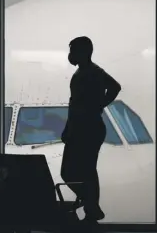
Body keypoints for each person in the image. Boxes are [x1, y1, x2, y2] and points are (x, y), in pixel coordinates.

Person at [60, 36, 121, 222]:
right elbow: (114, 87)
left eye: (72, 51)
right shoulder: (89, 72)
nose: (70, 55)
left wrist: (98, 105)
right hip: (86, 127)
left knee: (74, 172)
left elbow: (115, 87)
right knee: (84, 172)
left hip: (86, 129)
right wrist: (99, 105)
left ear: (83, 52)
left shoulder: (91, 72)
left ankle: (91, 206)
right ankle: (91, 207)